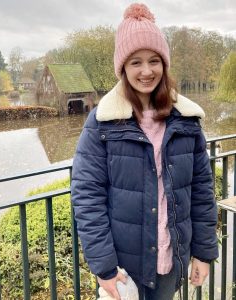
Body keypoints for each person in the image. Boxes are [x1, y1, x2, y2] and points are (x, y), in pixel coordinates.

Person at [71, 3, 218, 300]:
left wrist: (203, 252)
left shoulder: (186, 121)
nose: (147, 71)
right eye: (135, 62)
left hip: (170, 263)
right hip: (124, 268)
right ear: (123, 67)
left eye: (154, 60)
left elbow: (202, 190)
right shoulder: (102, 123)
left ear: (164, 64)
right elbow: (87, 196)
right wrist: (104, 267)